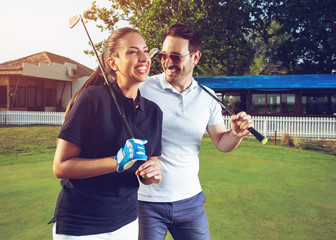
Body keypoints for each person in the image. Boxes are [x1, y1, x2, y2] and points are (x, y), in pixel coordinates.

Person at [138, 23, 254, 240]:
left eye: (175, 56)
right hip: (146, 203)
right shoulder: (143, 88)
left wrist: (236, 134)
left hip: (190, 202)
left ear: (196, 57)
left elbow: (222, 142)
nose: (167, 63)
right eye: (163, 56)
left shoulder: (208, 97)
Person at [49, 27, 163, 239]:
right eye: (133, 52)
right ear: (113, 63)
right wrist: (116, 161)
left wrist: (152, 174)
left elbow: (148, 170)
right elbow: (61, 166)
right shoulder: (91, 99)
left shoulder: (154, 112)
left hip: (127, 222)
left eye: (145, 51)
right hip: (81, 224)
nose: (144, 58)